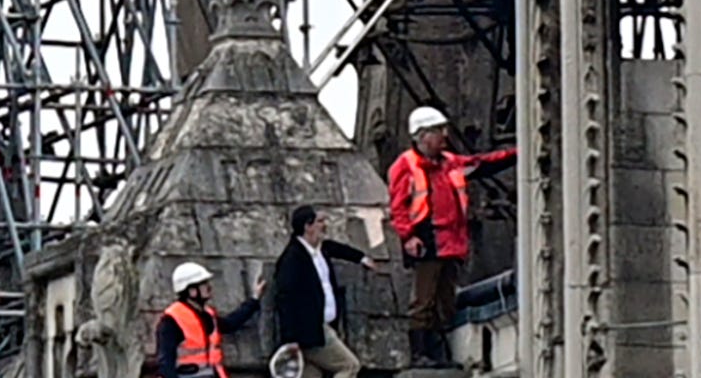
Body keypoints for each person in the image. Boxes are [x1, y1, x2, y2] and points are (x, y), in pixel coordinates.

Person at [387, 104, 515, 366]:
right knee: (424, 300)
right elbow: (398, 206)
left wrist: (515, 154)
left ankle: (437, 353)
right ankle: (421, 354)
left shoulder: (450, 163)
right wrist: (408, 237)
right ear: (422, 135)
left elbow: (482, 164)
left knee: (445, 301)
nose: (444, 136)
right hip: (428, 241)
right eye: (438, 131)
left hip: (451, 243)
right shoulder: (406, 166)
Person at [266, 204, 377, 375]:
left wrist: (360, 258)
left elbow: (336, 248)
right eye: (320, 221)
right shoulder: (292, 259)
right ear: (307, 226)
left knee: (314, 374)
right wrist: (290, 339)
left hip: (323, 326)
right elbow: (285, 298)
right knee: (349, 365)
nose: (324, 225)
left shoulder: (320, 248)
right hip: (311, 331)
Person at [153, 261, 259, 378]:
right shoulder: (171, 320)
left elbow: (230, 324)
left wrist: (254, 299)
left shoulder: (207, 314)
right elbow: (166, 363)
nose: (209, 287)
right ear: (192, 291)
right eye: (203, 284)